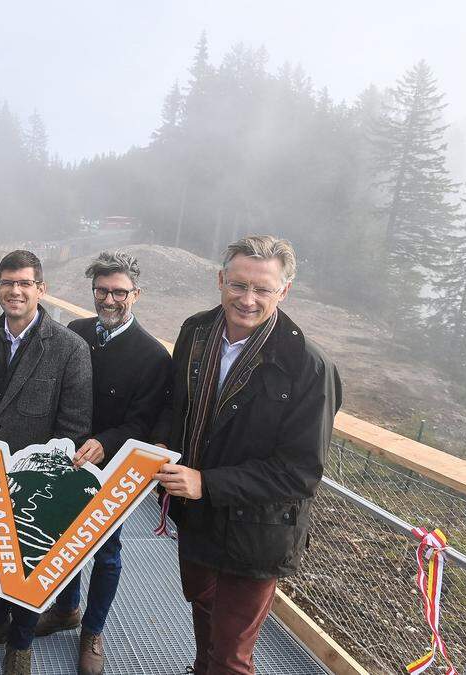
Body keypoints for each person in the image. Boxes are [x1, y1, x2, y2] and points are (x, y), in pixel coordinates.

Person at [152, 235, 342, 675]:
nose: (248, 299)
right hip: (196, 517)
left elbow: (301, 473)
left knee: (233, 654)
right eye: (238, 285)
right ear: (220, 280)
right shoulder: (196, 332)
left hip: (257, 531)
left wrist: (207, 483)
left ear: (284, 291)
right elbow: (175, 404)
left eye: (263, 289)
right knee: (202, 609)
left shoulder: (309, 367)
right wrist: (160, 441)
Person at [0, 249, 93, 675]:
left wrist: (32, 471)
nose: (15, 291)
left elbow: (74, 425)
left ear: (40, 289)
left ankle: (21, 638)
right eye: (7, 283)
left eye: (25, 283)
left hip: (36, 482)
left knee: (29, 556)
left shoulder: (70, 348)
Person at [33, 251, 171, 675]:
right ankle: (66, 609)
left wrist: (104, 442)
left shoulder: (152, 356)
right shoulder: (75, 333)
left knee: (106, 551)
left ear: (136, 294)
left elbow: (143, 421)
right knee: (64, 541)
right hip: (67, 457)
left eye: (119, 292)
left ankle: (93, 630)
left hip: (114, 466)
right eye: (102, 291)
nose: (109, 300)